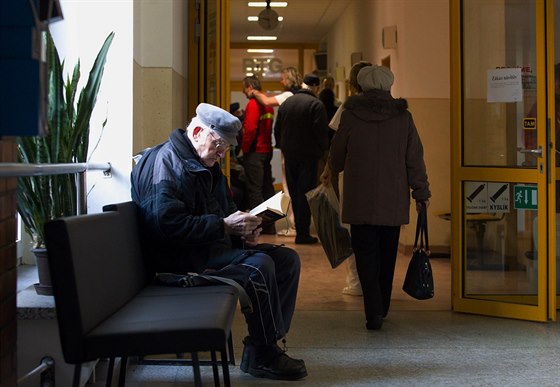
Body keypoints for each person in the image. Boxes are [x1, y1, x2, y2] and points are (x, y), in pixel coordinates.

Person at [130, 103, 307, 380]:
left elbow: (225, 211)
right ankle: (265, 353)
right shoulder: (165, 163)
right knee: (259, 266)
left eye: (226, 148)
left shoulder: (204, 163)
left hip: (206, 249)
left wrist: (244, 228)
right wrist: (224, 226)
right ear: (199, 132)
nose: (223, 154)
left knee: (286, 260)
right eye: (219, 145)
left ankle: (261, 348)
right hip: (177, 261)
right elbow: (165, 226)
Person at [328, 65, 431, 330]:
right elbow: (414, 158)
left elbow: (337, 153)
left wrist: (331, 169)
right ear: (388, 87)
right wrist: (421, 192)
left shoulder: (350, 115)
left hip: (359, 197)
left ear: (361, 86)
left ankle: (373, 311)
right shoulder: (403, 117)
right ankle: (382, 306)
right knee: (387, 256)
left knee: (365, 255)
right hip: (392, 198)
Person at [321, 60, 372, 296]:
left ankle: (356, 282)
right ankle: (374, 282)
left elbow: (337, 146)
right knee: (376, 230)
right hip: (379, 178)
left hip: (352, 176)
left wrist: (329, 169)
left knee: (351, 227)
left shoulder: (349, 108)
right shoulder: (390, 108)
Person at [274, 73, 329, 244]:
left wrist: (282, 146)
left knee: (294, 192)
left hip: (289, 155)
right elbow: (321, 133)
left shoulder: (287, 103)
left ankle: (299, 228)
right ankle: (303, 232)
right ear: (316, 87)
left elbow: (278, 129)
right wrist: (322, 152)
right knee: (306, 193)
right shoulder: (316, 104)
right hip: (309, 157)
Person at [251, 66, 303, 237]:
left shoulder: (289, 96)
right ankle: (299, 224)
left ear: (288, 79)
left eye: (282, 78)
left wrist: (254, 92)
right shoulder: (304, 93)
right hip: (301, 147)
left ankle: (294, 225)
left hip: (289, 147)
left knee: (289, 186)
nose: (281, 81)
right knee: (299, 186)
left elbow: (266, 101)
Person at [241, 75, 276, 234]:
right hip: (266, 150)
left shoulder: (253, 104)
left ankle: (257, 228)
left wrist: (244, 148)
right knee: (268, 189)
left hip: (255, 152)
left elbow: (249, 130)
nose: (244, 92)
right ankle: (270, 227)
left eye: (244, 89)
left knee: (255, 190)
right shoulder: (267, 105)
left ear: (249, 87)